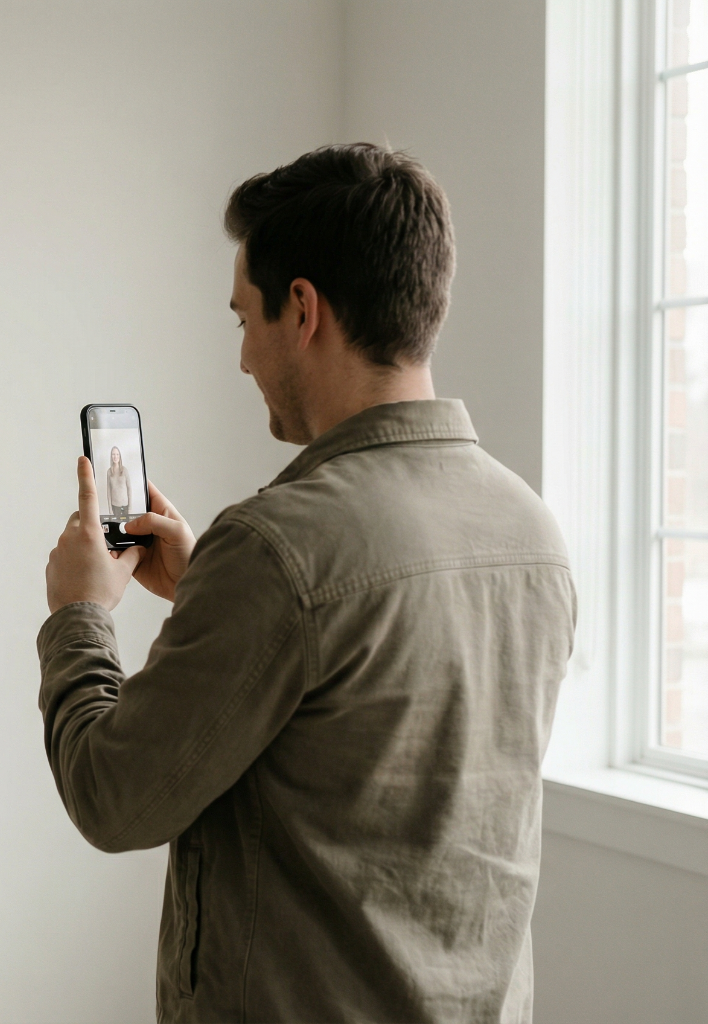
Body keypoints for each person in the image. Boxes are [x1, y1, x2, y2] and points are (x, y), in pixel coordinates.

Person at [38, 144, 575, 1022]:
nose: (244, 359)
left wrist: (80, 617)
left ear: (302, 309)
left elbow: (113, 798)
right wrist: (215, 583)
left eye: (244, 319)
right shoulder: (531, 529)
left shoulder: (279, 548)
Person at [107, 446, 131, 517]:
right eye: (113, 454)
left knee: (126, 527)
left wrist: (130, 508)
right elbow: (108, 491)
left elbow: (129, 489)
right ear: (111, 456)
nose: (115, 456)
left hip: (125, 506)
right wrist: (110, 509)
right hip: (114, 506)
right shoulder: (109, 472)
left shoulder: (124, 470)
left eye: (117, 454)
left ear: (120, 456)